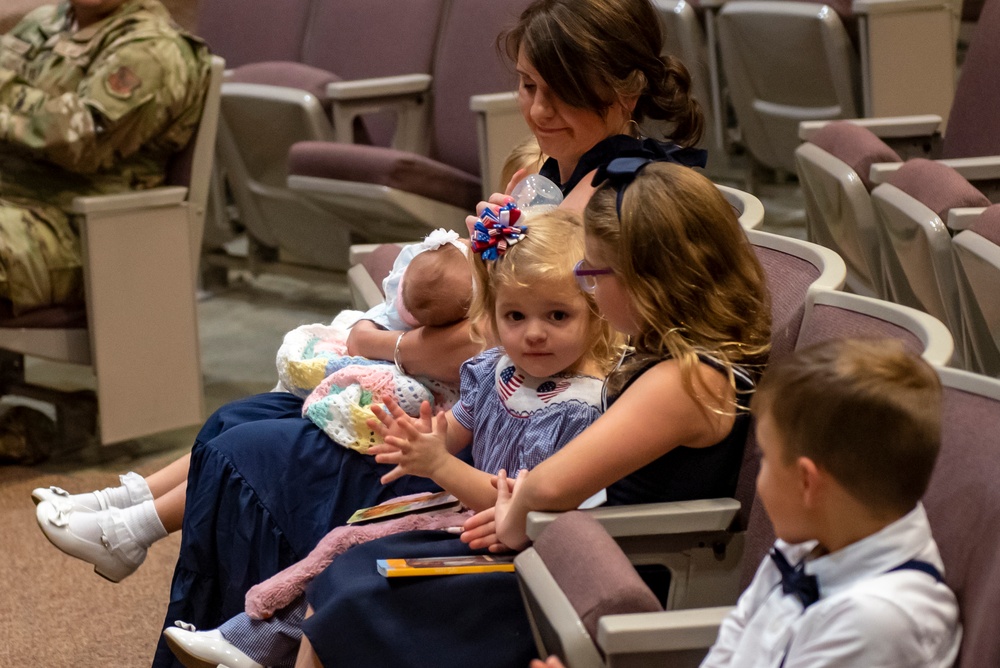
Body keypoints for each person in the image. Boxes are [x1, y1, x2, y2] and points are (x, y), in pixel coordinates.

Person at [139, 0, 709, 662]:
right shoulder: (540, 174)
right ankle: (197, 599)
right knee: (235, 427)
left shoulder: (626, 205)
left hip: (509, 450)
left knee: (252, 461)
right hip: (475, 414)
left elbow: (495, 345)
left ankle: (236, 623)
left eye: (566, 91)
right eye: (528, 86)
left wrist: (389, 350)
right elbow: (483, 329)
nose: (540, 110)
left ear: (627, 90)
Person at [293, 158, 771, 668]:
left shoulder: (687, 378)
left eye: (595, 272)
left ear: (645, 279)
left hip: (604, 570)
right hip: (571, 542)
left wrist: (514, 519)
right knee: (346, 576)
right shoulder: (688, 352)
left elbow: (547, 487)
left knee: (356, 591)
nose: (588, 284)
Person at [162, 208, 622, 668]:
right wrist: (424, 439)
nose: (534, 333)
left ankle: (252, 644)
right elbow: (461, 427)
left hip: (513, 545)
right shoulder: (498, 369)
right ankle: (251, 640)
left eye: (558, 315)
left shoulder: (578, 406)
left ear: (596, 315)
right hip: (465, 512)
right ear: (491, 316)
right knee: (346, 535)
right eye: (515, 316)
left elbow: (521, 502)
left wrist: (439, 465)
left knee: (350, 555)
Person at [32, 228, 474, 581]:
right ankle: (124, 502)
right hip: (414, 399)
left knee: (248, 448)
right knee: (234, 418)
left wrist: (374, 341)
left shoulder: (506, 281)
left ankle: (133, 531)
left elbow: (469, 343)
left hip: (440, 445)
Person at [534, 338, 961, 668]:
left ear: (807, 483)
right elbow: (728, 652)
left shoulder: (877, 623)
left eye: (769, 462)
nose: (760, 481)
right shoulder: (821, 536)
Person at [0, 0, 210, 315]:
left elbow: (80, 141)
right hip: (13, 205)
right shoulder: (46, 21)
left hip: (80, 232)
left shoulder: (153, 49)